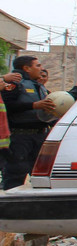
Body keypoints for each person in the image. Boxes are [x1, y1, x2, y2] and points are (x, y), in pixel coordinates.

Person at [1, 57, 55, 189]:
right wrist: (33, 105)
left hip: (40, 137)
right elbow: (8, 106)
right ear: (27, 68)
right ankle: (10, 208)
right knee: (15, 175)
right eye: (38, 65)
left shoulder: (39, 86)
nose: (41, 69)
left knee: (41, 177)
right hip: (20, 138)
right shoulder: (15, 85)